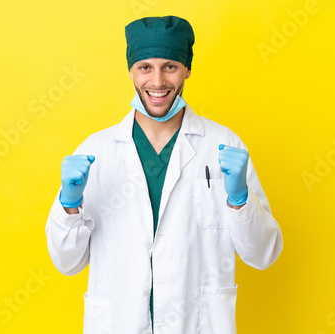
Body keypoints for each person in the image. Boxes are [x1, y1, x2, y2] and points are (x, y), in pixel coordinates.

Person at [45, 15, 283, 334]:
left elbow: (263, 254)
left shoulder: (223, 145)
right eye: (145, 67)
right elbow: (67, 263)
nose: (157, 82)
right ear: (131, 70)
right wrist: (69, 205)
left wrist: (241, 201)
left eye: (169, 66)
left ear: (187, 69)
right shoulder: (97, 150)